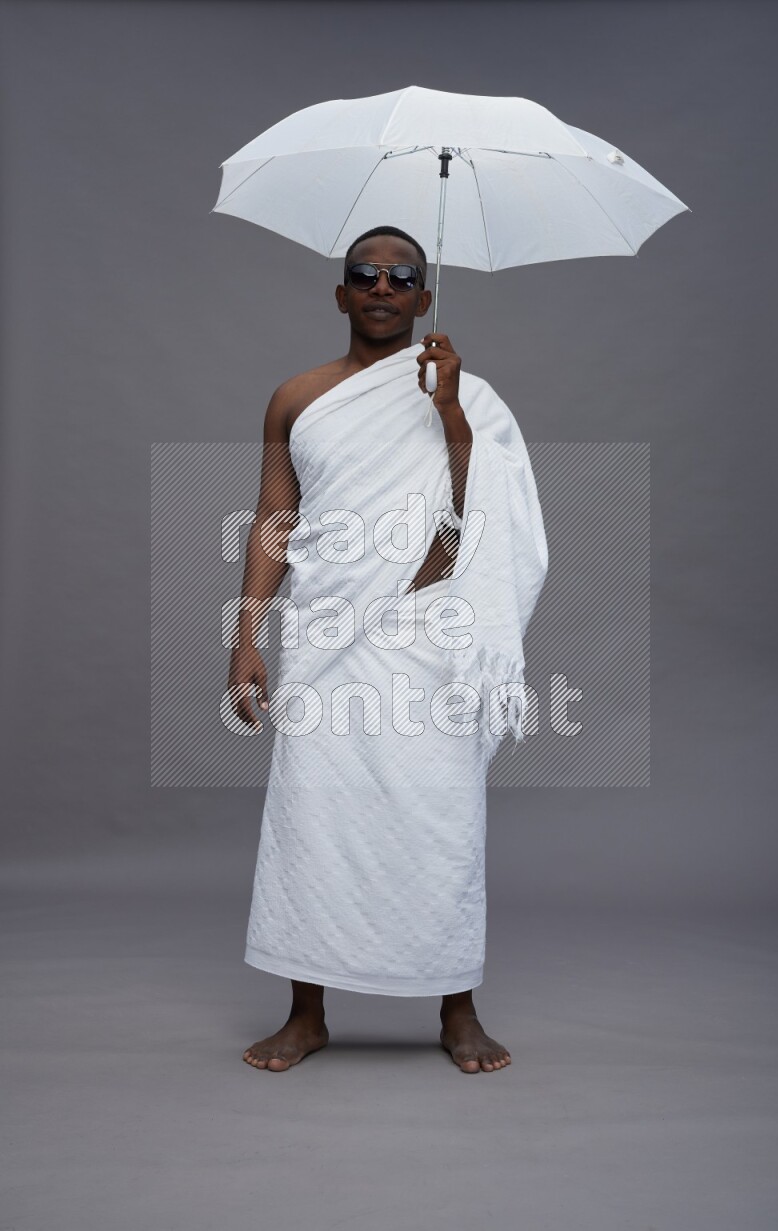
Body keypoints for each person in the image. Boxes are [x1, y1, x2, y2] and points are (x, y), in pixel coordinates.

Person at [228, 225, 548, 1074]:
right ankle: (306, 1013)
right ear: (340, 293)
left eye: (401, 275)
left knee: (440, 816)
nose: (381, 286)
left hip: (428, 636)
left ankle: (456, 1006)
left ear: (423, 297)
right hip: (330, 634)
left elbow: (481, 516)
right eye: (364, 274)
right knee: (313, 817)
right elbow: (275, 517)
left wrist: (446, 410)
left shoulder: (466, 398)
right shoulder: (296, 396)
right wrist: (246, 631)